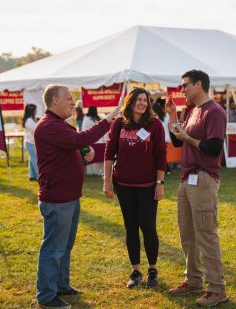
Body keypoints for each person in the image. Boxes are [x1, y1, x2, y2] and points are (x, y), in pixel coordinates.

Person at [35, 84, 120, 309]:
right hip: (58, 199)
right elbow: (79, 140)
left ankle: (61, 285)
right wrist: (106, 122)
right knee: (53, 248)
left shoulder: (59, 125)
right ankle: (46, 296)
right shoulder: (49, 126)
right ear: (54, 101)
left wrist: (85, 153)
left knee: (65, 246)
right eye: (69, 99)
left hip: (69, 197)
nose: (73, 103)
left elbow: (76, 146)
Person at [166, 70, 228, 307]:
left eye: (185, 86)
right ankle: (193, 280)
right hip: (186, 179)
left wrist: (189, 139)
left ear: (199, 84)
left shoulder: (215, 112)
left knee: (206, 234)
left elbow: (213, 148)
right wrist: (172, 116)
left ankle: (217, 289)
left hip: (203, 178)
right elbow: (177, 141)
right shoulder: (191, 110)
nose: (182, 90)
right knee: (188, 234)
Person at [103, 87, 167, 289]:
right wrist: (107, 180)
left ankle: (153, 270)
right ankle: (136, 271)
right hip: (124, 185)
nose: (142, 103)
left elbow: (161, 156)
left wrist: (159, 184)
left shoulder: (155, 125)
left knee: (148, 226)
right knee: (131, 227)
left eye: (145, 100)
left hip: (148, 186)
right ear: (130, 102)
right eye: (138, 99)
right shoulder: (119, 124)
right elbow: (109, 152)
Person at [82, 106, 105, 175]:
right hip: (100, 142)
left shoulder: (86, 119)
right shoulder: (99, 118)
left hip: (91, 141)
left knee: (92, 159)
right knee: (100, 159)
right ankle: (99, 172)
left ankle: (91, 172)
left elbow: (84, 130)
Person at [152, 98, 171, 174]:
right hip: (166, 138)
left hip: (161, 138)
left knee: (160, 155)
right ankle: (166, 169)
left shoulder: (155, 120)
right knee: (161, 155)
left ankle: (166, 169)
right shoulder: (166, 116)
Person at [22, 103, 39, 181]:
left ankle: (32, 176)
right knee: (35, 160)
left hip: (31, 142)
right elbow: (36, 130)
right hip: (30, 143)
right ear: (32, 111)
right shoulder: (29, 120)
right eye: (35, 110)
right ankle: (40, 176)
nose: (36, 111)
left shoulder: (31, 119)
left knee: (32, 160)